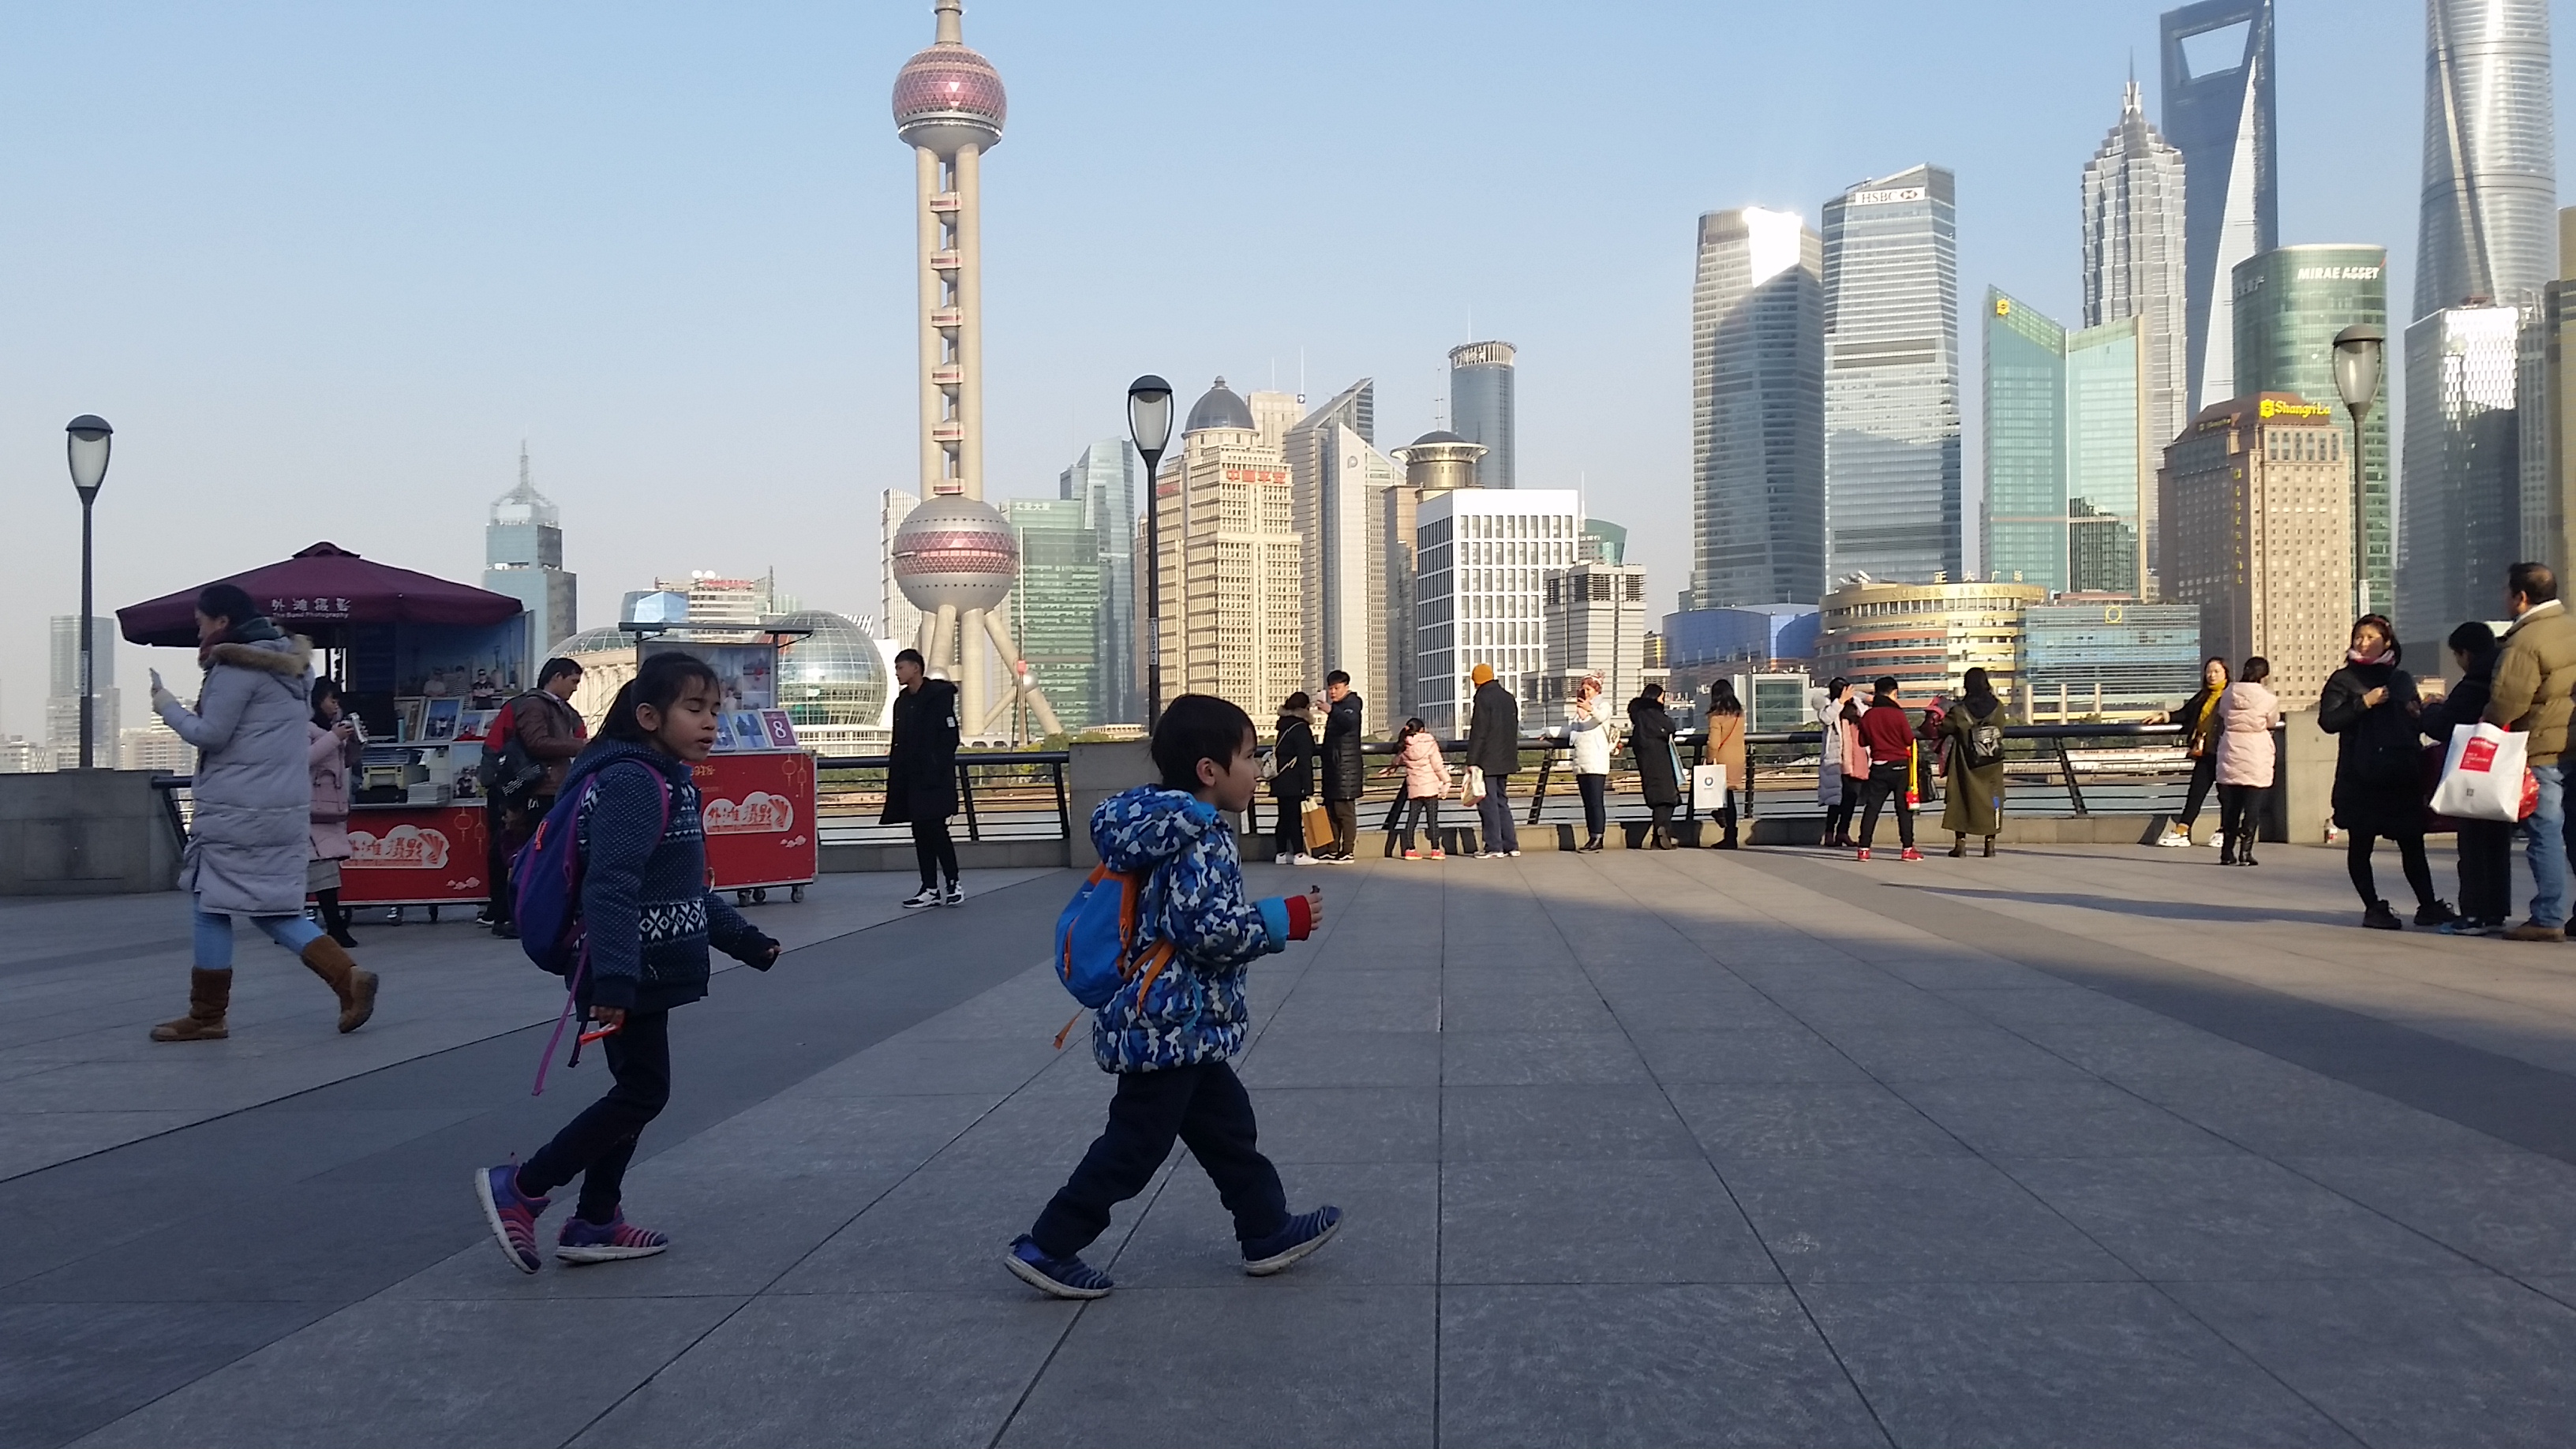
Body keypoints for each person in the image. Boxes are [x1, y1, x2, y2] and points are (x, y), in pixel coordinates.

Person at [1005, 694, 1339, 1299]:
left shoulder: (1152, 823)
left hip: (1171, 1018)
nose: (1259, 770)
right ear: (1210, 771)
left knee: (1227, 1128)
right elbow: (1205, 930)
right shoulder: (1202, 833)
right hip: (1171, 1020)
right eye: (1250, 757)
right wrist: (1280, 918)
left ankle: (1266, 1230)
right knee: (1134, 1147)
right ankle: (1048, 1244)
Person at [474, 653, 782, 1271]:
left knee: (637, 1089)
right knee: (643, 1092)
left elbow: (678, 885)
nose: (710, 724)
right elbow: (610, 886)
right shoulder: (636, 784)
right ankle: (526, 1187)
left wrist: (744, 940)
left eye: (715, 711)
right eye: (694, 709)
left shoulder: (663, 780)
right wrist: (614, 978)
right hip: (627, 965)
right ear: (647, 716)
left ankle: (595, 1220)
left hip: (646, 964)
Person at [147, 583, 377, 1042]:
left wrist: (166, 706)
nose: (199, 633)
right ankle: (346, 978)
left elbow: (212, 734)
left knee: (209, 900)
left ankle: (209, 1014)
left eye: (200, 623)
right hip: (282, 806)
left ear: (222, 623)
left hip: (238, 807)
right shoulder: (294, 673)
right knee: (266, 904)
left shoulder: (235, 667)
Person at [2320, 615, 2455, 930]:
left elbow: (2413, 719)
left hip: (2400, 772)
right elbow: (2328, 721)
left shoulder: (2401, 679)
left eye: (2371, 637)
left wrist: (2422, 712)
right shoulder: (2343, 679)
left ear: (2388, 642)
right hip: (2361, 775)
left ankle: (2428, 904)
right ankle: (2373, 906)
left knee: (2412, 843)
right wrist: (2363, 703)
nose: (2363, 643)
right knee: (2360, 844)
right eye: (2359, 637)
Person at [2483, 562, 2576, 941]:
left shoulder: (2525, 641)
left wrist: (2485, 721)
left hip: (2542, 748)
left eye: (2508, 593)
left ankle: (2548, 916)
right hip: (2574, 743)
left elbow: (2508, 701)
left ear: (2521, 598)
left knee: (2545, 832)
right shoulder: (2571, 628)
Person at [486, 657, 588, 938]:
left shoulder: (556, 708)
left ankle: (523, 914)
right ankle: (515, 914)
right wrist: (580, 746)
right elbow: (537, 742)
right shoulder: (534, 705)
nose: (575, 689)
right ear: (557, 677)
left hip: (547, 788)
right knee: (530, 855)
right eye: (573, 681)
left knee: (538, 855)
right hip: (537, 791)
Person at [2420, 621, 2510, 935]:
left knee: (2473, 846)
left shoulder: (2472, 684)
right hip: (2502, 774)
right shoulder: (2502, 677)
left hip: (2474, 776)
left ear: (2465, 653)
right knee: (2497, 845)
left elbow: (2443, 726)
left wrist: (2426, 710)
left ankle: (2474, 914)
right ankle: (2496, 912)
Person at [883, 647, 964, 908]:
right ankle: (929, 887)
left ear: (915, 668)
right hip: (911, 779)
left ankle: (953, 883)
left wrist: (934, 764)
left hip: (935, 779)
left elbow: (950, 737)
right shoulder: (902, 702)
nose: (897, 673)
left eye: (900, 668)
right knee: (920, 831)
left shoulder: (939, 697)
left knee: (936, 830)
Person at [2151, 657, 2231, 848]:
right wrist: (2164, 716)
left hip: (2226, 751)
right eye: (2209, 671)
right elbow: (2185, 713)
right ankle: (2182, 831)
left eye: (2216, 672)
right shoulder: (2202, 696)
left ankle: (2225, 831)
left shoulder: (2231, 695)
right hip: (2205, 751)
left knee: (2226, 795)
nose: (2211, 675)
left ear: (2226, 673)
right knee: (2196, 792)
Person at [307, 679, 363, 949]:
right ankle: (332, 926)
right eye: (331, 699)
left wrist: (354, 741)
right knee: (319, 870)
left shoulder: (332, 731)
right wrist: (334, 738)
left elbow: (347, 762)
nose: (335, 705)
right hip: (309, 808)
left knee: (326, 870)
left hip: (329, 809)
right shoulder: (303, 729)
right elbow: (302, 759)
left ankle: (330, 925)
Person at [2214, 657, 2279, 867]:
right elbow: (2271, 721)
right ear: (2264, 676)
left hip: (2230, 749)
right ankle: (2245, 852)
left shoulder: (2228, 693)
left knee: (2231, 807)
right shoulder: (2268, 699)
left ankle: (2226, 852)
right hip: (2256, 753)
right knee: (2253, 807)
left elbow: (2223, 715)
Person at [1938, 666, 2008, 857]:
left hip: (1965, 762)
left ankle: (1960, 844)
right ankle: (1989, 844)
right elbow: (2000, 729)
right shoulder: (1998, 707)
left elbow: (1944, 727)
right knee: (1993, 799)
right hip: (1992, 761)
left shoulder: (1960, 710)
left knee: (1961, 798)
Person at [1853, 676, 1921, 862]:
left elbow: (1862, 741)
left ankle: (1864, 848)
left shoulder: (1868, 716)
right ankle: (1907, 848)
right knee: (1903, 809)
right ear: (1894, 693)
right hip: (1900, 766)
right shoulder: (1898, 715)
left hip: (1878, 766)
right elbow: (1908, 739)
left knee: (1872, 808)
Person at [1464, 664, 1521, 857]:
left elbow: (1479, 731)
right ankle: (1511, 845)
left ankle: (1493, 846)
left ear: (1477, 681)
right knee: (1501, 801)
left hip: (1487, 758)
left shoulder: (1483, 698)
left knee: (1487, 803)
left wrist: (1472, 760)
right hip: (1506, 756)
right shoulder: (1508, 697)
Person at [1626, 683, 1684, 848]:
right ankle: (1661, 830)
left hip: (1646, 762)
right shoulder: (1654, 714)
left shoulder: (1639, 717)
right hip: (1661, 759)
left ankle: (1658, 837)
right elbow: (1671, 727)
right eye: (1662, 697)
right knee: (1667, 798)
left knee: (1658, 797)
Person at [1316, 671, 1365, 863]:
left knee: (1345, 810)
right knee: (1331, 809)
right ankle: (1333, 848)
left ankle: (1347, 850)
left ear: (1346, 686)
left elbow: (1349, 722)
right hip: (1334, 766)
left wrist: (1330, 710)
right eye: (1331, 688)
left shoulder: (1352, 704)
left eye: (1336, 688)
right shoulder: (1338, 706)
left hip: (1347, 768)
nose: (1333, 692)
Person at [1566, 676, 1615, 852]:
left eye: (1589, 689)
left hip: (1596, 760)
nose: (1586, 692)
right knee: (1587, 802)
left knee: (1596, 801)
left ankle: (1598, 837)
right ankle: (1591, 835)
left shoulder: (1603, 706)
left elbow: (1601, 717)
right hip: (1581, 760)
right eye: (1584, 688)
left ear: (1597, 690)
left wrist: (1590, 708)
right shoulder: (1579, 713)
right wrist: (1547, 732)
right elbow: (1571, 729)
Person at [1268, 692, 1317, 866]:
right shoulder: (1301, 728)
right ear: (1305, 708)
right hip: (1294, 778)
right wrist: (1308, 787)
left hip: (1280, 777)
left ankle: (1281, 853)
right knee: (1294, 817)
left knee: (1283, 817)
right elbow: (1305, 760)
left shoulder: (1283, 726)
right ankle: (1298, 853)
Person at [1818, 680, 1867, 848]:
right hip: (1837, 759)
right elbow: (1826, 718)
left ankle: (1843, 832)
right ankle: (1830, 833)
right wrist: (1840, 701)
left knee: (1851, 797)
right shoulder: (1829, 706)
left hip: (1857, 755)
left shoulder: (1857, 704)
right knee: (1836, 799)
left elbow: (1867, 714)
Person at [1392, 717, 1448, 859]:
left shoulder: (1405, 744)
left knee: (1412, 819)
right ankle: (1436, 850)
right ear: (1422, 729)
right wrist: (1446, 780)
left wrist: (1391, 768)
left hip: (1414, 788)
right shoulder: (1429, 742)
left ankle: (1410, 849)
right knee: (1432, 820)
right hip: (1430, 787)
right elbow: (1437, 765)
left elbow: (1397, 760)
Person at [1702, 679, 1747, 849]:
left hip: (1722, 760)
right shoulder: (1739, 714)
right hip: (1738, 758)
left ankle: (1726, 831)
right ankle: (1731, 835)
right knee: (1729, 798)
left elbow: (1713, 743)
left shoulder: (1716, 717)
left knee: (1720, 798)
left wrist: (1708, 760)